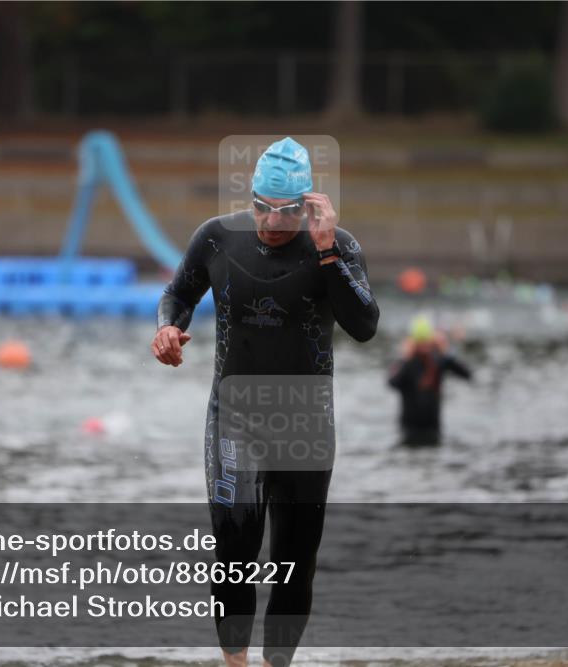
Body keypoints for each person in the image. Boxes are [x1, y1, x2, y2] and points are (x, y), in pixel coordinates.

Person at [151, 137, 379, 667]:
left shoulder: (337, 246)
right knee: (234, 552)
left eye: (287, 212)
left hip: (306, 425)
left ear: (309, 206)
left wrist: (324, 252)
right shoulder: (216, 239)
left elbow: (365, 326)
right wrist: (167, 328)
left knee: (295, 563)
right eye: (262, 208)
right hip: (234, 418)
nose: (272, 222)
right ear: (250, 198)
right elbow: (178, 295)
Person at [387, 315, 472, 446]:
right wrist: (404, 358)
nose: (423, 346)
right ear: (413, 342)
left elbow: (466, 374)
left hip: (433, 429)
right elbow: (392, 383)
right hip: (409, 430)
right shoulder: (408, 363)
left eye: (426, 341)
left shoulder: (438, 360)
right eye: (420, 342)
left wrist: (447, 352)